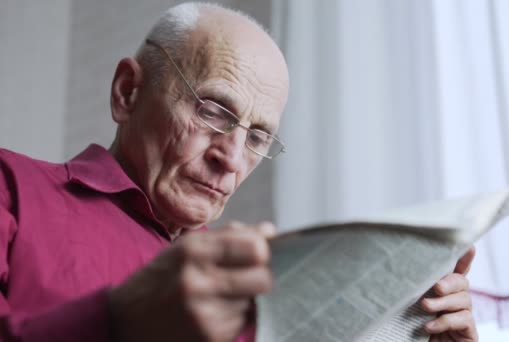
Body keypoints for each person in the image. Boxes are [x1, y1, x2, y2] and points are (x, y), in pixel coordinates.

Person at [0, 3, 477, 342]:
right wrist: (119, 321)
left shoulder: (257, 286)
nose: (230, 157)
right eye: (212, 110)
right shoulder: (11, 188)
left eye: (256, 138)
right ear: (128, 92)